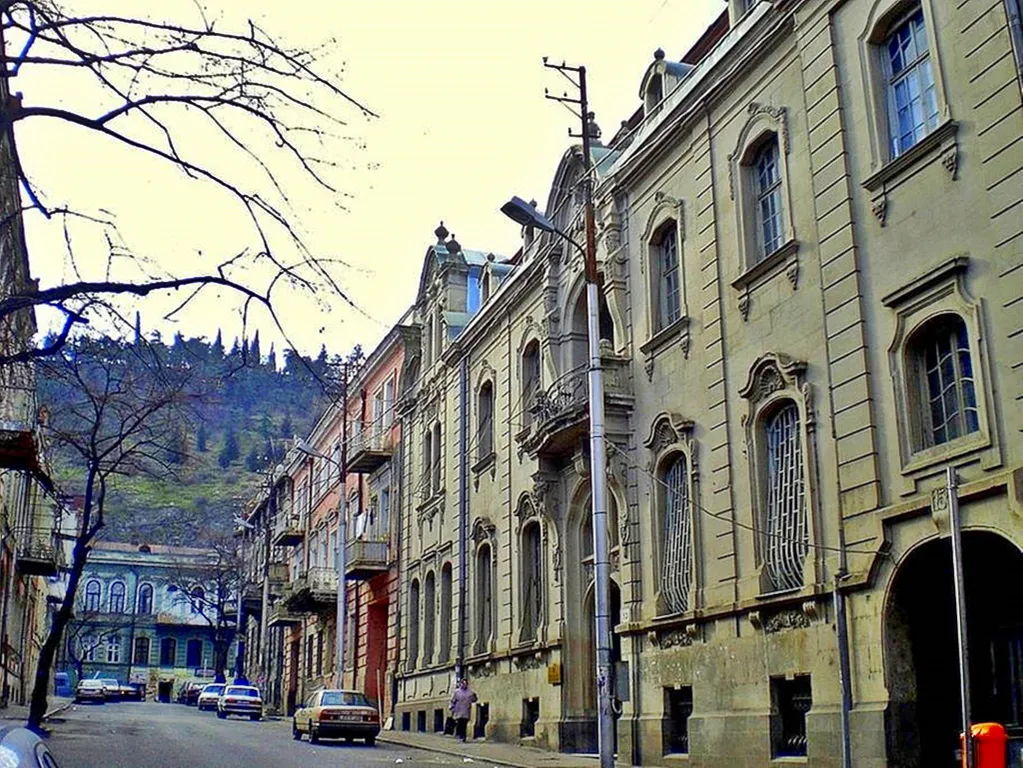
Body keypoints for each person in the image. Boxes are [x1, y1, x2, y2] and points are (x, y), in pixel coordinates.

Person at [449, 678, 477, 743]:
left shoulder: (470, 692)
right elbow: (453, 700)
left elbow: (474, 700)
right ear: (461, 684)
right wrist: (451, 707)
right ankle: (461, 736)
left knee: (464, 724)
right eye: (463, 683)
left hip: (466, 710)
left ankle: (463, 737)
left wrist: (475, 696)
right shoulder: (457, 692)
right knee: (460, 724)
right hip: (458, 710)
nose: (464, 685)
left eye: (465, 684)